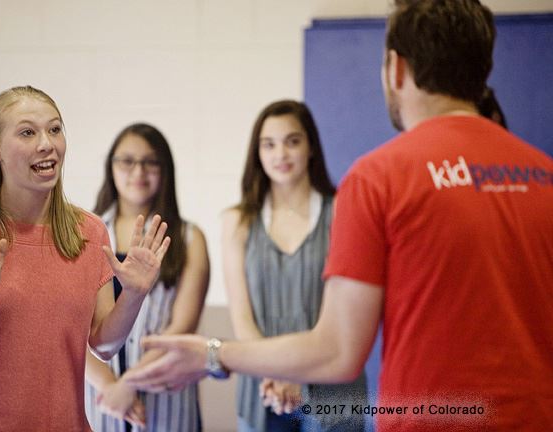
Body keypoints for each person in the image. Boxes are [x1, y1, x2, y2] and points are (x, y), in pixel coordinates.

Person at [122, 1, 553, 431]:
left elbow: (338, 351)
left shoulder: (379, 178)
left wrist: (211, 352)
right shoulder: (544, 174)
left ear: (395, 69)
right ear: (483, 66)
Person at [0, 86, 170, 431]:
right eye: (27, 132)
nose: (47, 144)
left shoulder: (89, 232)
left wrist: (135, 294)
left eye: (54, 129)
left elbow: (104, 344)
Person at [221, 100, 365, 432]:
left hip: (333, 390)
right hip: (263, 387)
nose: (280, 154)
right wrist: (278, 373)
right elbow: (243, 319)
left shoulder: (343, 211)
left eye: (293, 141)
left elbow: (347, 313)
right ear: (257, 153)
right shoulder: (238, 221)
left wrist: (298, 374)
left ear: (311, 146)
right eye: (268, 144)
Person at [84, 123, 210, 432]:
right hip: (101, 397)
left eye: (150, 161)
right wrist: (111, 388)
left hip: (165, 396)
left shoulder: (190, 238)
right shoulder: (84, 234)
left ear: (165, 169)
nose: (138, 171)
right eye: (126, 160)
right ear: (111, 166)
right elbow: (72, 328)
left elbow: (181, 326)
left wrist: (128, 384)